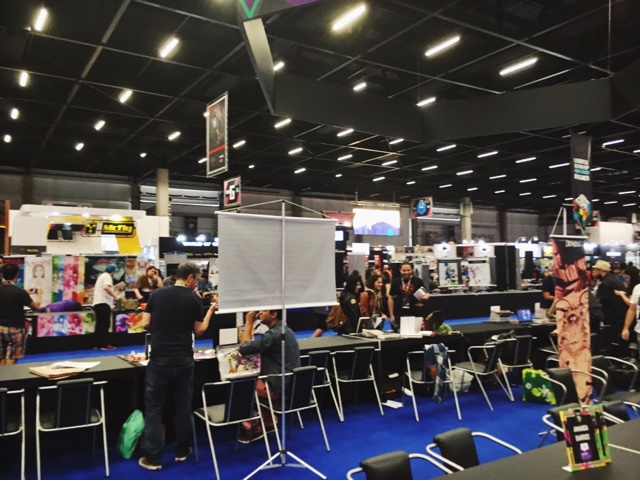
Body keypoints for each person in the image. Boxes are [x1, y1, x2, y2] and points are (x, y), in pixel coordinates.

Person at [139, 262, 217, 471]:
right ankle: (182, 451)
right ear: (190, 278)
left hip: (159, 358)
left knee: (154, 409)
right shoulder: (193, 298)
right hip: (183, 358)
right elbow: (199, 330)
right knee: (183, 406)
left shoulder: (157, 294)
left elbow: (145, 323)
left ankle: (154, 459)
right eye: (197, 279)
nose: (197, 283)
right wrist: (210, 310)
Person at [237, 309, 300, 443]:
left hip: (279, 388)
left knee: (243, 388)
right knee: (259, 382)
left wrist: (249, 322)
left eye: (264, 311)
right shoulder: (286, 330)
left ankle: (253, 429)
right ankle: (269, 422)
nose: (260, 313)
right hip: (292, 386)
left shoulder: (273, 334)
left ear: (273, 314)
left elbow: (245, 348)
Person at [0, 263, 42, 365]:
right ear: (17, 275)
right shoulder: (20, 292)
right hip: (15, 328)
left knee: (2, 357)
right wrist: (39, 294)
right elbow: (36, 306)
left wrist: (25, 292)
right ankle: (9, 376)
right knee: (12, 357)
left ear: (2, 275)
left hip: (1, 327)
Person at [592, 259, 628, 354]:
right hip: (621, 316)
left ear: (600, 270)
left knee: (609, 342)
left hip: (612, 317)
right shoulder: (616, 279)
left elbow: (601, 302)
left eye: (595, 270)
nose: (593, 272)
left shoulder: (605, 283)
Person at [388, 262, 429, 331]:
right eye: (404, 270)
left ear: (412, 270)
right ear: (400, 270)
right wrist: (391, 315)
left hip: (416, 312)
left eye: (408, 270)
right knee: (401, 332)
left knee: (416, 332)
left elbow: (426, 293)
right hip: (400, 313)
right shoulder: (395, 282)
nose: (406, 272)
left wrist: (426, 296)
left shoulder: (418, 281)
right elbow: (390, 298)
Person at [92, 264, 120, 350]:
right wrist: (115, 296)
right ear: (113, 272)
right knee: (105, 325)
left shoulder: (101, 276)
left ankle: (97, 344)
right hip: (103, 303)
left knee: (99, 325)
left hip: (97, 303)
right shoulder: (107, 276)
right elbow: (106, 287)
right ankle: (104, 344)